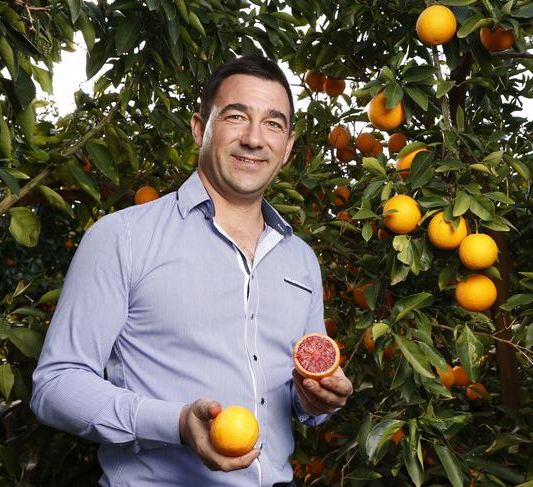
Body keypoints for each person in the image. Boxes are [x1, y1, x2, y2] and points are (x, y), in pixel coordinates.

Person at [31, 54, 353, 486]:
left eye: (273, 124)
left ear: (288, 146)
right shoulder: (122, 237)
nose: (255, 139)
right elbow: (56, 385)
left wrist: (317, 400)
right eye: (237, 117)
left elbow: (296, 395)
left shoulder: (301, 260)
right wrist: (177, 423)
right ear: (201, 128)